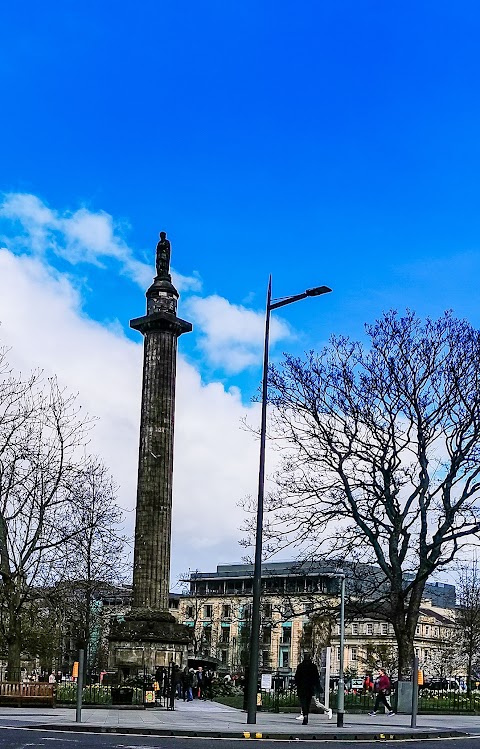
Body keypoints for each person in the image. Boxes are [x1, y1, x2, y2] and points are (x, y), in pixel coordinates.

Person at [295, 653, 322, 725]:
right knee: (308, 702)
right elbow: (316, 678)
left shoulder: (300, 666)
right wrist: (318, 687)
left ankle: (305, 715)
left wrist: (297, 685)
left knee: (303, 702)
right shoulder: (313, 667)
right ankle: (306, 714)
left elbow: (297, 677)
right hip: (310, 687)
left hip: (302, 687)